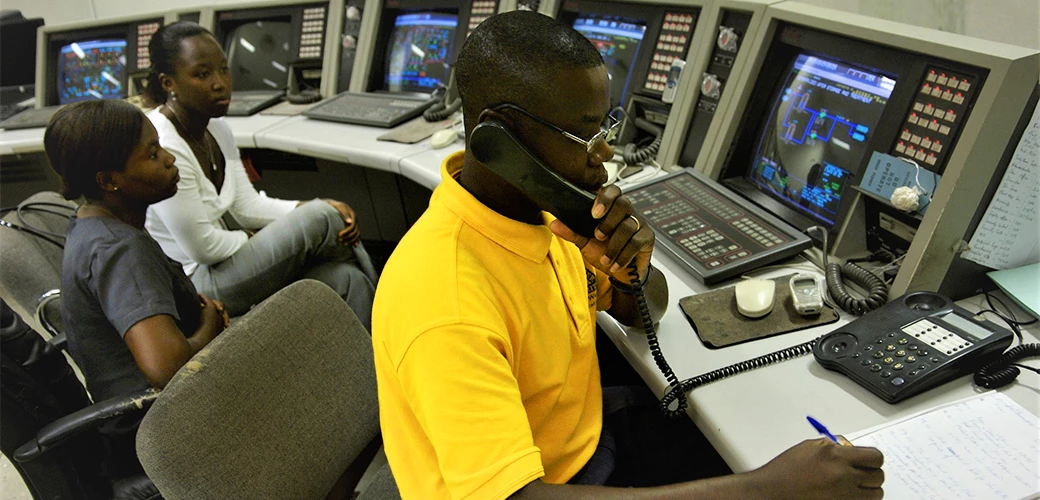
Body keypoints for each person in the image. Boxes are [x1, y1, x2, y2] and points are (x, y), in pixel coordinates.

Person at [372, 11, 885, 499]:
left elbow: (646, 310)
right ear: (501, 139)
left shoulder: (540, 220)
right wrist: (767, 490)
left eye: (606, 129)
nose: (606, 154)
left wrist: (630, 275)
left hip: (586, 445)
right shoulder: (447, 303)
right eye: (586, 134)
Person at [140, 22, 375, 325]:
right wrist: (264, 238)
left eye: (223, 70)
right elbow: (203, 247)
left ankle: (375, 364)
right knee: (324, 218)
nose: (220, 83)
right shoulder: (164, 144)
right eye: (202, 74)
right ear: (168, 83)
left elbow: (246, 206)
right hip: (199, 283)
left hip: (229, 261)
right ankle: (394, 309)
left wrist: (299, 209)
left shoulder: (216, 128)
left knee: (347, 278)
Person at [47, 99, 229, 485]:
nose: (168, 159)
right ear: (109, 180)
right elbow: (167, 368)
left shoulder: (90, 225)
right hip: (165, 429)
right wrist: (210, 323)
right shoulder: (120, 249)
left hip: (146, 421)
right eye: (152, 154)